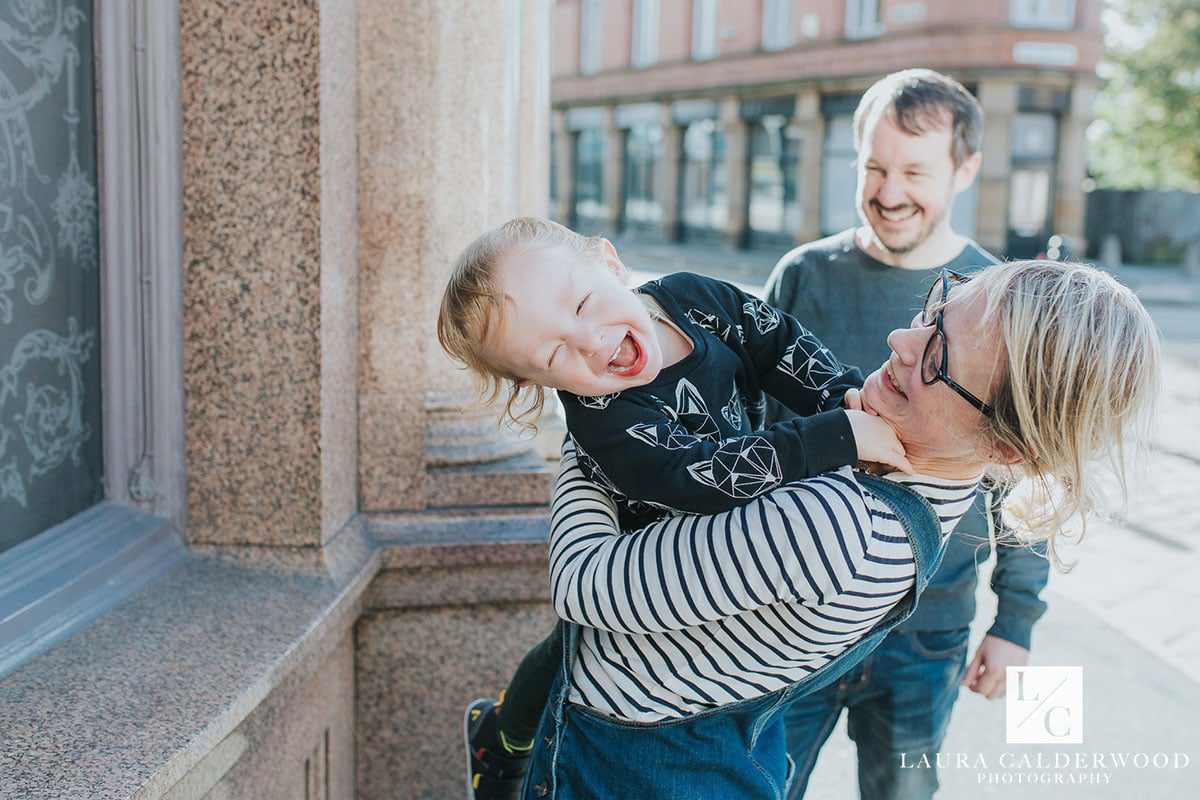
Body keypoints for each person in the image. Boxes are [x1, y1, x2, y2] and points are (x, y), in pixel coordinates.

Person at [521, 259, 1160, 799]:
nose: (900, 341)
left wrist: (598, 415)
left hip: (628, 762)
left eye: (938, 358)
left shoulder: (842, 528)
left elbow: (582, 585)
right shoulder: (901, 470)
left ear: (1011, 450)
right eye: (934, 311)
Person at [436, 217, 912, 799]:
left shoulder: (693, 299)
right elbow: (697, 474)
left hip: (729, 566)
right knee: (574, 640)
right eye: (554, 351)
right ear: (536, 381)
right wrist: (835, 436)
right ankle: (506, 740)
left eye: (584, 302)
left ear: (611, 262)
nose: (588, 340)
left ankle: (504, 731)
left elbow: (775, 341)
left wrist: (843, 395)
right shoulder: (604, 416)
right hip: (650, 586)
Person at [763, 69, 1048, 798]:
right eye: (874, 167)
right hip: (792, 615)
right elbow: (748, 437)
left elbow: (1027, 487)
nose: (889, 192)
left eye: (915, 171)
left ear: (965, 170)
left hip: (926, 632)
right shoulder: (803, 275)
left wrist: (1014, 622)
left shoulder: (1000, 302)